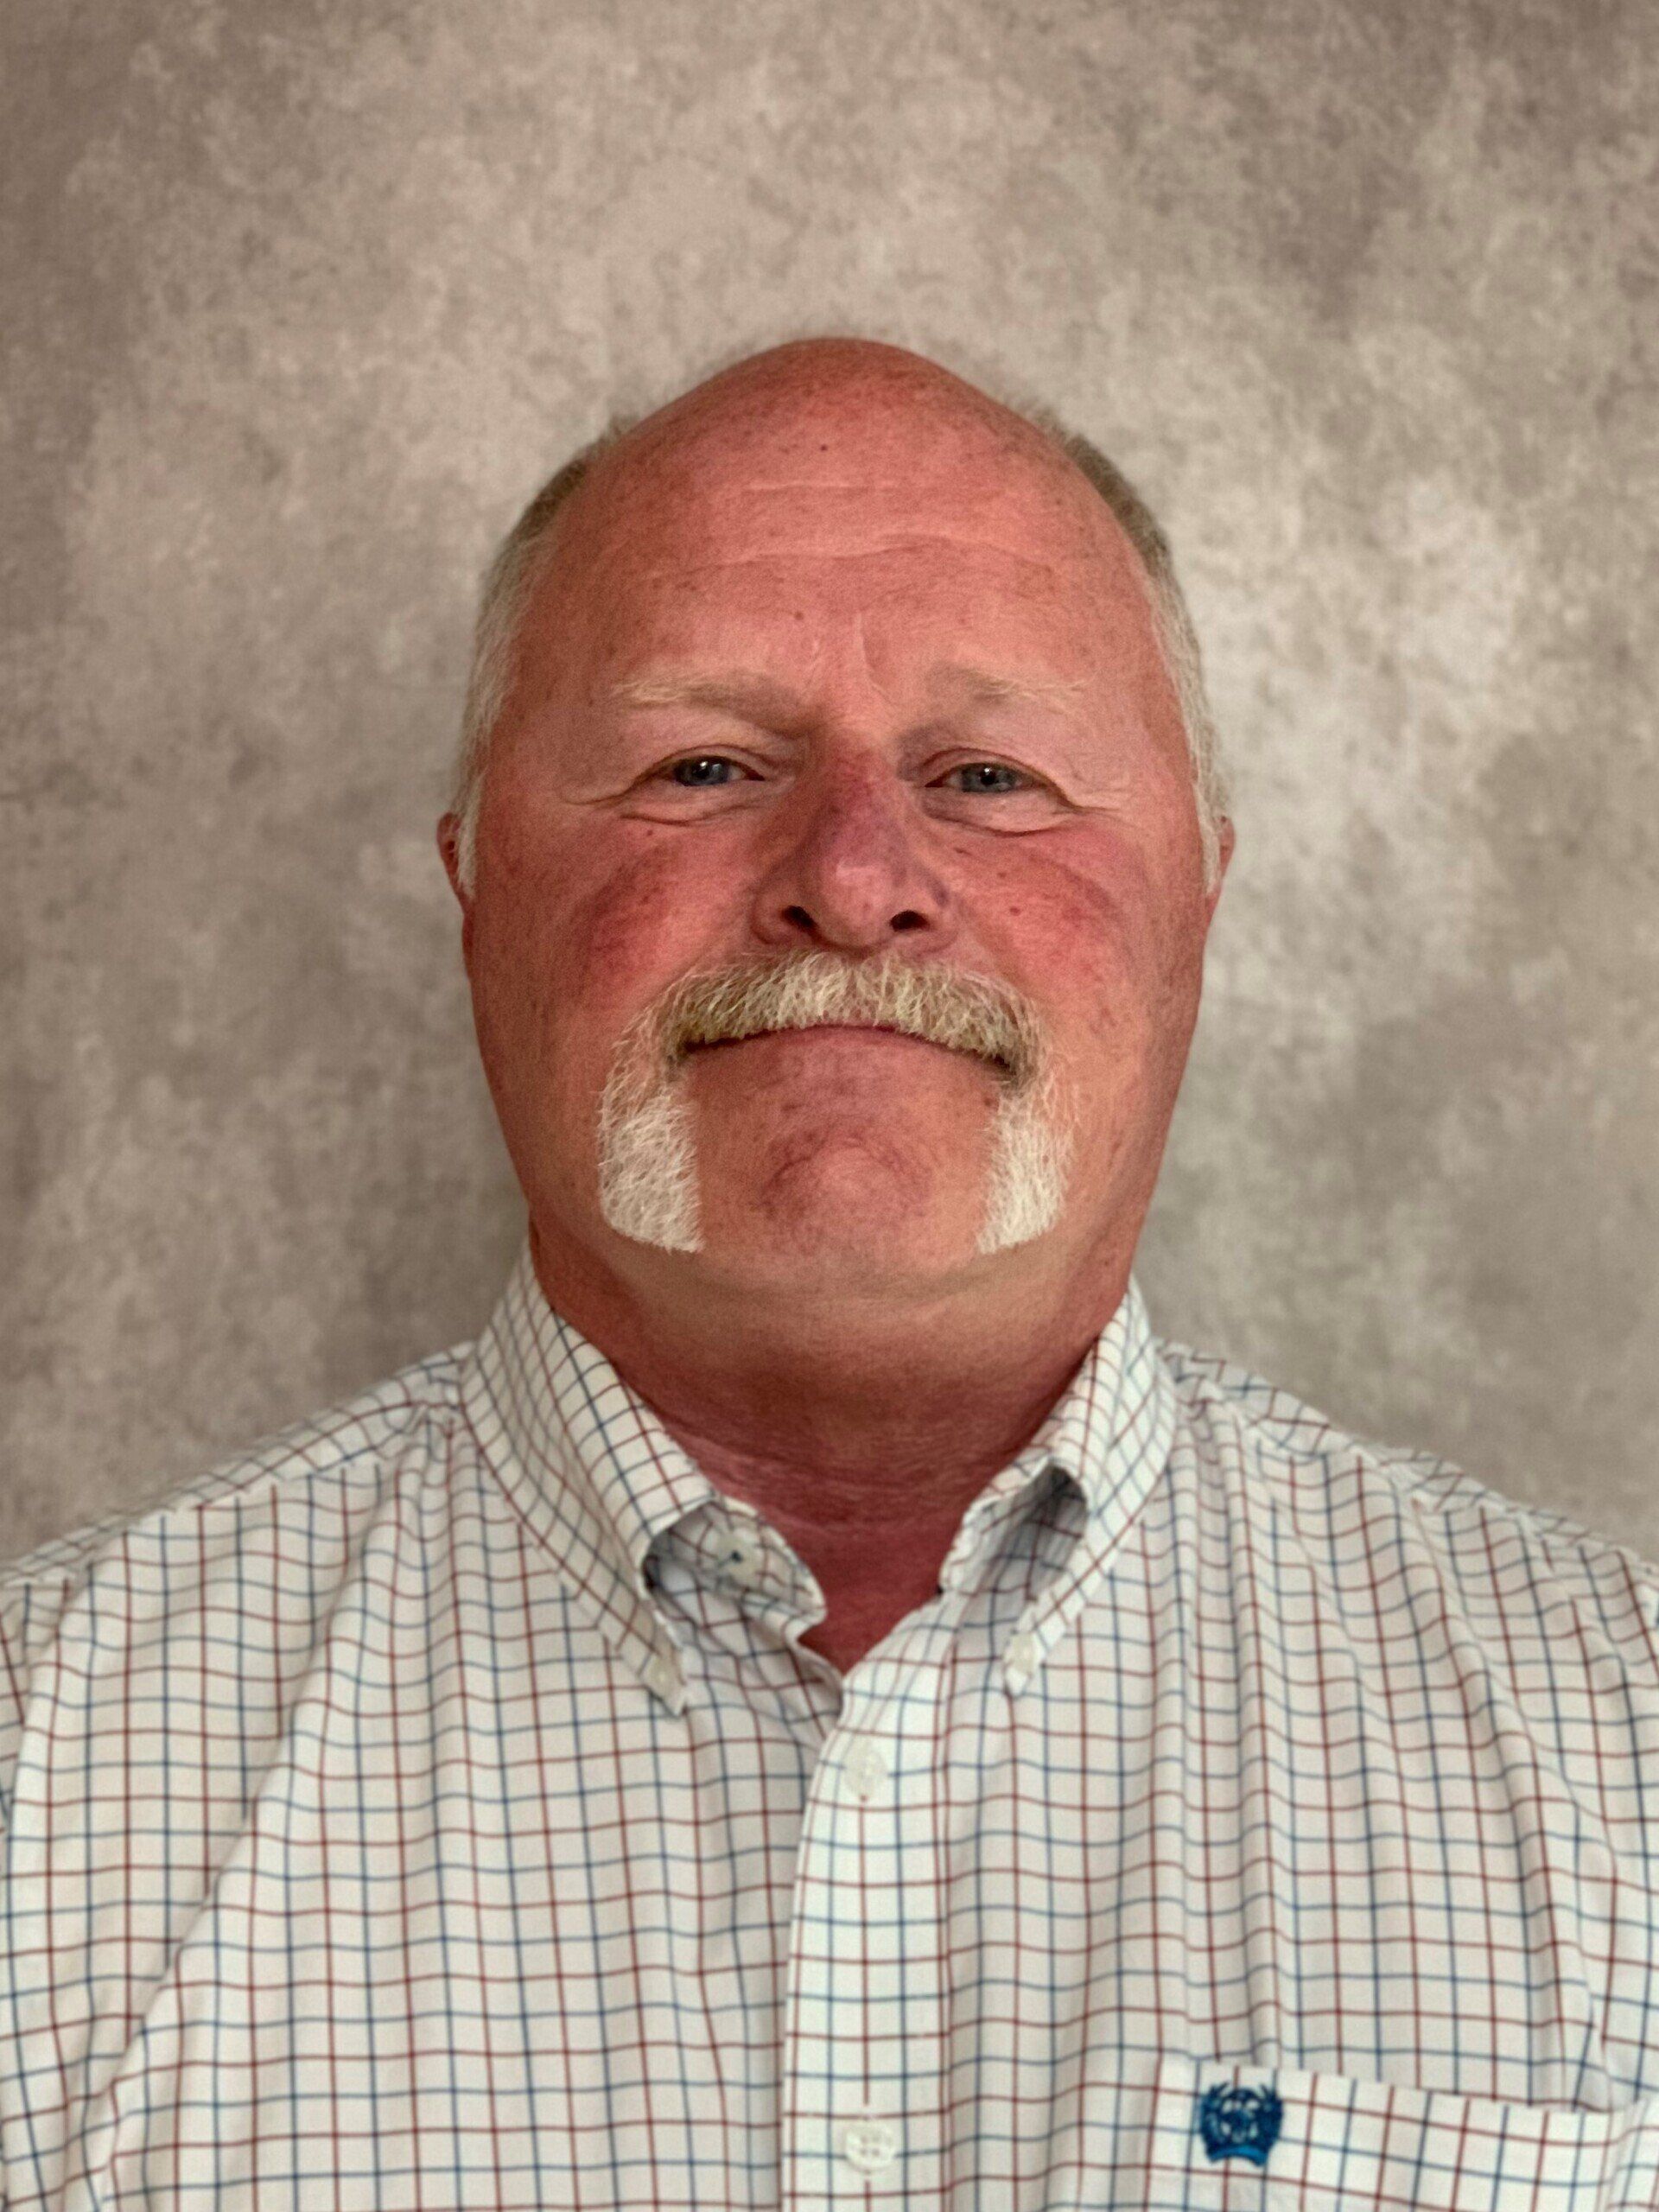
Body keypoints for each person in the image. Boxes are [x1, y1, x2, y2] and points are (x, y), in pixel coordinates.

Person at [2, 339, 1655, 2212]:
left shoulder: (1626, 1746)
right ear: (477, 884)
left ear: (1200, 895)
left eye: (991, 775)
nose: (856, 881)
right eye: (703, 764)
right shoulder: (44, 1777)